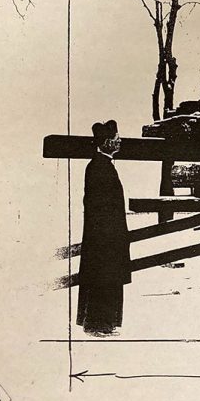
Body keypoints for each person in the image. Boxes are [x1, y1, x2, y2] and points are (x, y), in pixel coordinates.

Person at [76, 120, 131, 335]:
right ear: (107, 142)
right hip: (103, 237)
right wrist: (108, 234)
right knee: (102, 278)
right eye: (116, 139)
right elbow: (98, 206)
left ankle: (105, 323)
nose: (119, 142)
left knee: (107, 278)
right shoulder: (99, 167)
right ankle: (98, 325)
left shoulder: (102, 165)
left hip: (107, 235)